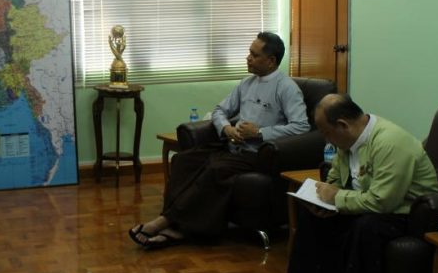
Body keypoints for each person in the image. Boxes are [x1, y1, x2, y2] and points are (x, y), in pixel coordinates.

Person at [129, 32, 309, 248]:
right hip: (232, 146)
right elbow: (219, 110)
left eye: (254, 55)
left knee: (215, 169)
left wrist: (260, 133)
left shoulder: (286, 88)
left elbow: (301, 126)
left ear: (271, 61)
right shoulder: (247, 83)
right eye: (249, 53)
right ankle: (174, 223)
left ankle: (168, 225)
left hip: (257, 154)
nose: (248, 58)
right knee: (183, 160)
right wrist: (226, 128)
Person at [285, 94, 438, 273]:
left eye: (326, 133)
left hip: (406, 212)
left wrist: (336, 198)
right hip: (366, 203)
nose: (326, 140)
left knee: (366, 228)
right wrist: (322, 200)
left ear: (342, 125)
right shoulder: (347, 142)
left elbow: (382, 201)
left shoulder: (390, 143)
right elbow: (336, 179)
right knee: (313, 215)